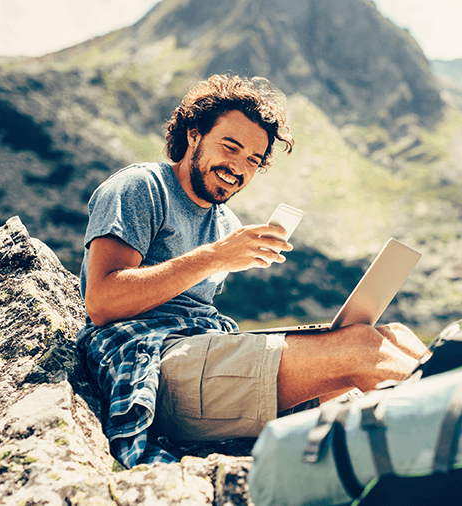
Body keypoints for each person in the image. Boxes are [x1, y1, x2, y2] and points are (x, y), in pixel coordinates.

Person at [76, 74, 428, 468]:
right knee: (360, 351)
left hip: (203, 355)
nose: (238, 168)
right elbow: (102, 302)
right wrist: (216, 256)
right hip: (149, 362)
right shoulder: (141, 186)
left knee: (389, 338)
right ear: (194, 134)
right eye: (231, 147)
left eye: (253, 161)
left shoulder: (225, 221)